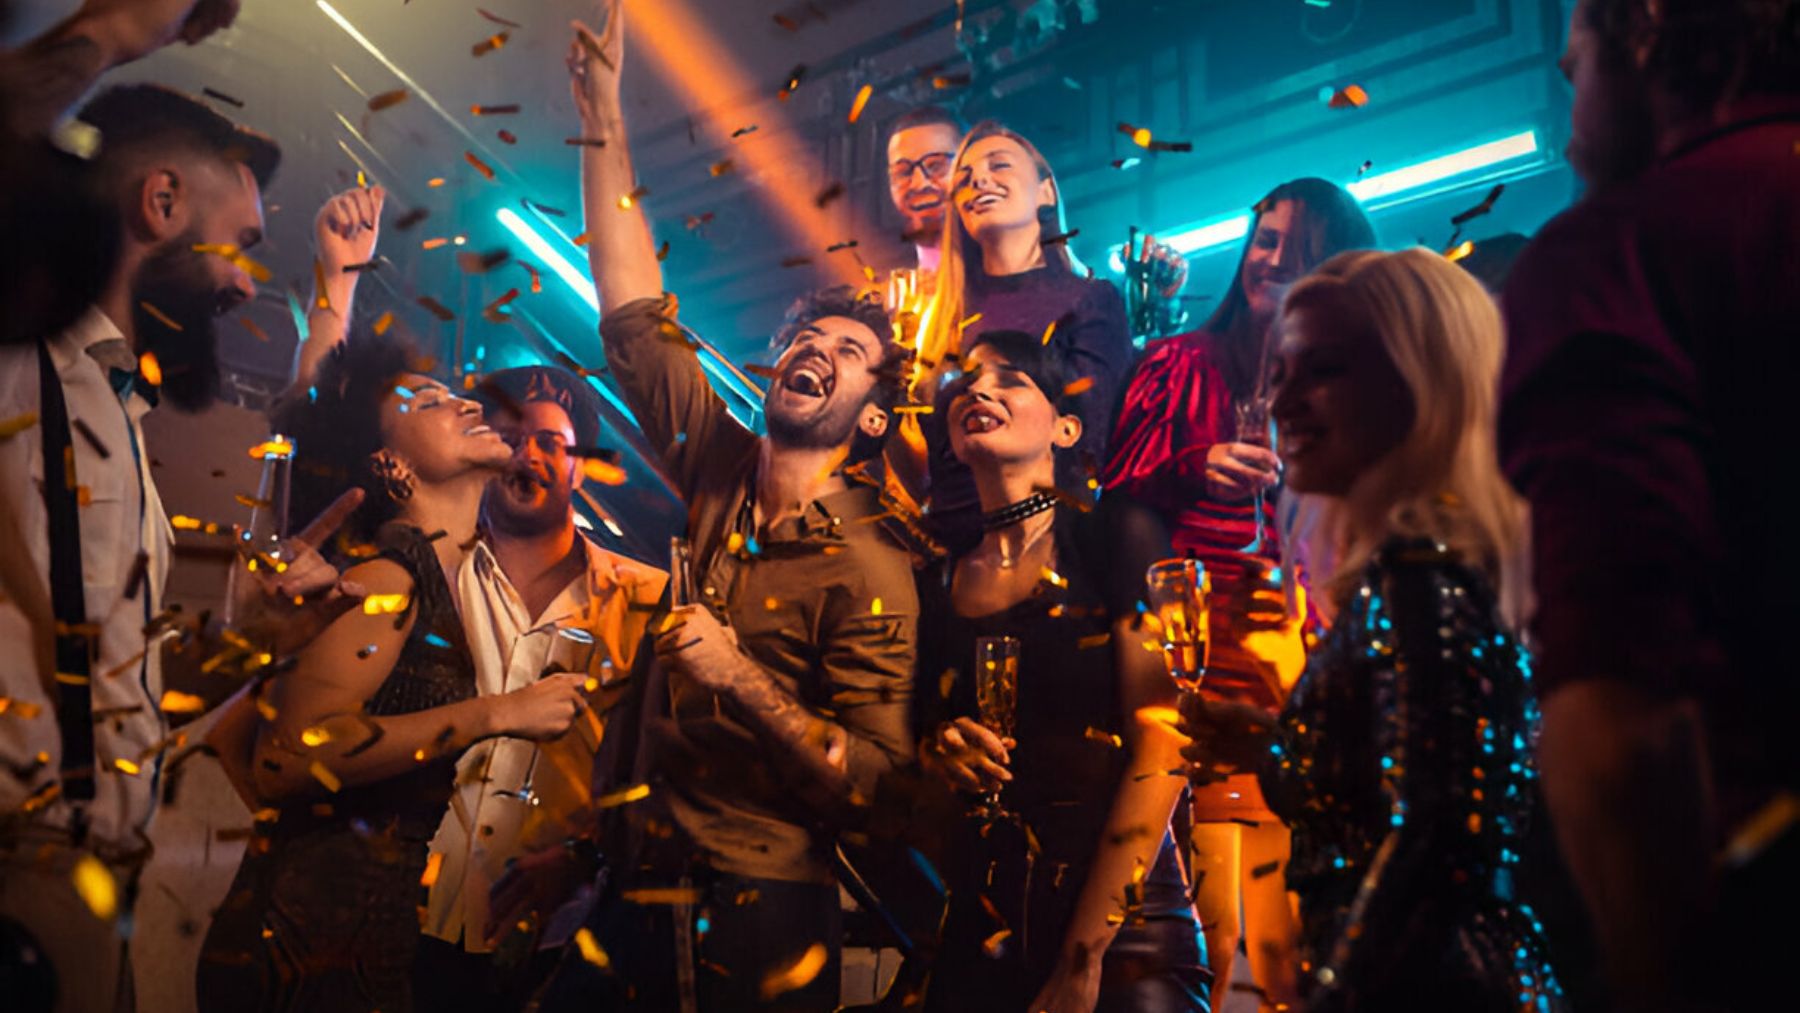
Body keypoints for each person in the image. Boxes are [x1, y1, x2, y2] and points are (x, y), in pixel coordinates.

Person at [542, 6, 920, 1008]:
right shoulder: (717, 456)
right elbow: (630, 300)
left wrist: (743, 679)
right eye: (810, 336)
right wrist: (603, 112)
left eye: (849, 354)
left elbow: (876, 782)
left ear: (871, 419)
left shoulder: (868, 568)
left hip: (761, 914)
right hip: (635, 882)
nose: (817, 352)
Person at [0, 81, 342, 1013]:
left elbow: (111, 682)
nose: (245, 284)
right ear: (161, 204)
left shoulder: (116, 408)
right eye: (245, 247)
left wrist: (257, 638)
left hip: (88, 882)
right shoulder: (18, 373)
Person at [1499, 1, 1800, 1009]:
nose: (1561, 72)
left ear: (1645, 35)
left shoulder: (1618, 256)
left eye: (1576, 50)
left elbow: (1622, 701)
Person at [1181, 249, 1563, 1011]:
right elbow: (1405, 790)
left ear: (1421, 385)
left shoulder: (1425, 578)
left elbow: (1435, 842)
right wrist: (1275, 744)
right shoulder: (1407, 574)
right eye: (1280, 371)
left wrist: (1336, 995)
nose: (1283, 399)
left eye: (1323, 368)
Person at [196, 335, 591, 1012]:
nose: (465, 401)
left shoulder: (435, 577)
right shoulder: (389, 576)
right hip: (310, 955)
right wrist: (498, 712)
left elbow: (245, 736)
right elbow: (286, 758)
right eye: (430, 400)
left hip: (356, 945)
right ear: (390, 464)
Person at [1101, 177, 1374, 1006]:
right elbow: (1113, 502)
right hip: (1194, 653)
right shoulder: (1178, 362)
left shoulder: (1355, 390)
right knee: (1220, 922)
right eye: (1265, 240)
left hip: (1307, 650)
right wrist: (1195, 464)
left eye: (1301, 248)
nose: (1275, 260)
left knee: (1299, 919)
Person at [915, 330, 1206, 1013]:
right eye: (965, 381)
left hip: (1124, 925)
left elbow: (1164, 740)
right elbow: (922, 755)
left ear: (1066, 426)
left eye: (1009, 379)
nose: (977, 390)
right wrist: (940, 750)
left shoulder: (1118, 532)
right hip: (986, 924)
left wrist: (1084, 955)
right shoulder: (937, 578)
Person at [412, 365, 666, 1012]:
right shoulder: (429, 574)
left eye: (550, 441)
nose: (527, 454)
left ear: (581, 466)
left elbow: (666, 772)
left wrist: (585, 858)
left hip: (560, 942)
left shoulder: (648, 601)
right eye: (509, 437)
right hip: (409, 921)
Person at [906, 120, 1132, 551]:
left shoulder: (1088, 300)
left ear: (1046, 191)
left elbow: (1096, 441)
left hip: (1050, 545)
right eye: (965, 178)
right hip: (953, 553)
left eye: (999, 165)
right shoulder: (938, 323)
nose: (981, 181)